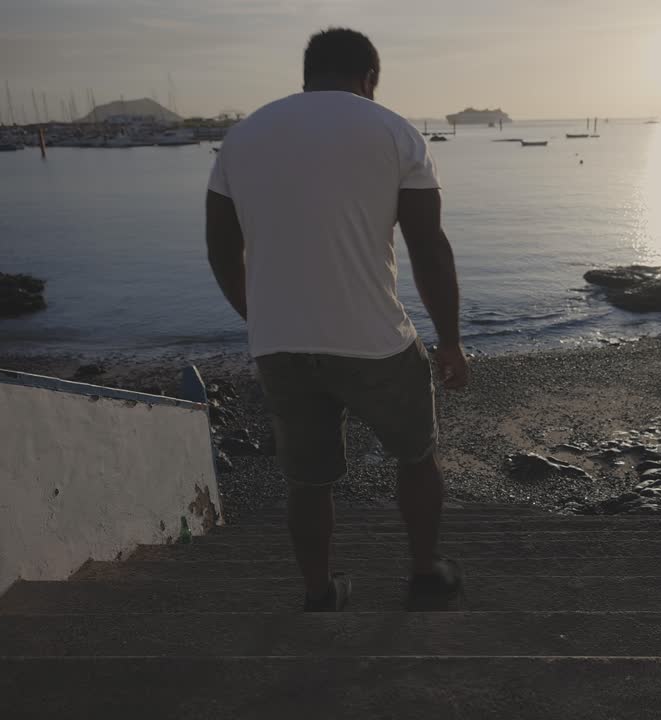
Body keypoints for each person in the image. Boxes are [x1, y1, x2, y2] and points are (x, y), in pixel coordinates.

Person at [205, 27, 468, 612]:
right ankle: (425, 573)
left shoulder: (243, 137)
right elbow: (428, 247)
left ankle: (319, 591)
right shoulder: (395, 132)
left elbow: (221, 249)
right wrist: (449, 342)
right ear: (368, 78)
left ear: (307, 75)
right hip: (375, 341)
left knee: (308, 479)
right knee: (416, 456)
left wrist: (259, 316)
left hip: (281, 346)